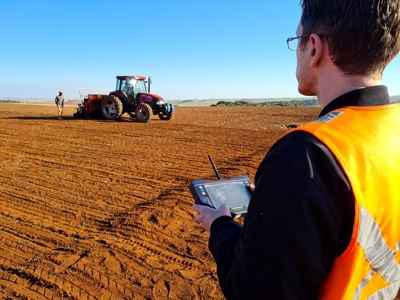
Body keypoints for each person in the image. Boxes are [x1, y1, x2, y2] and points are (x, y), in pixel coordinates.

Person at [194, 0, 400, 299]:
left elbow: (254, 290)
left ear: (314, 48)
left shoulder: (307, 155)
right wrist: (280, 202)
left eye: (297, 42)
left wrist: (219, 225)